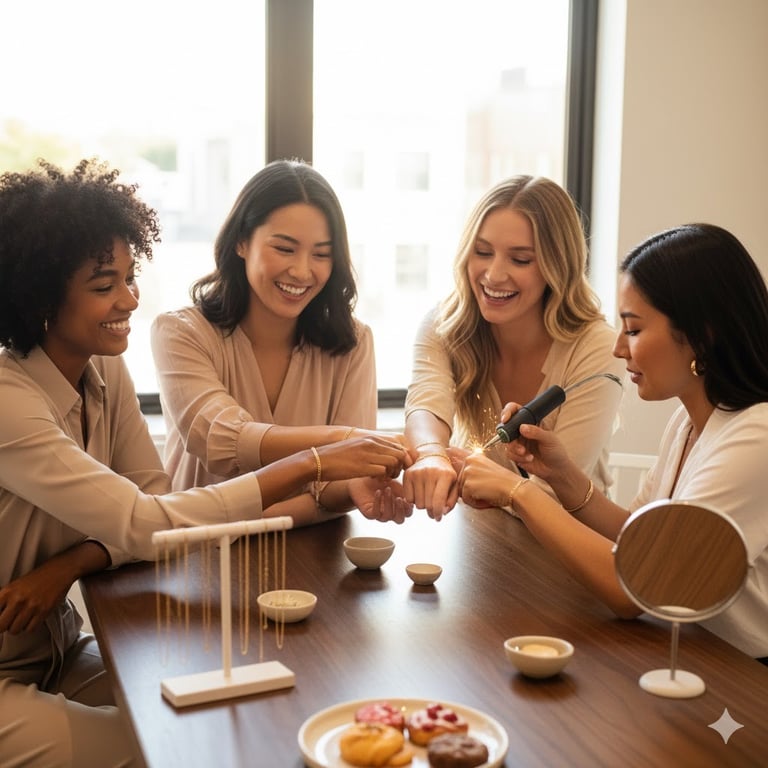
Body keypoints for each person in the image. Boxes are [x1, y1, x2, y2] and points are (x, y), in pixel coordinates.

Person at [0, 158, 411, 768]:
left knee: (229, 714)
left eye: (130, 278)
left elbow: (153, 506)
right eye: (104, 285)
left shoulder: (105, 370)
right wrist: (312, 463)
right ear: (41, 295)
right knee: (169, 748)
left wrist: (71, 563)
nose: (130, 299)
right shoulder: (9, 400)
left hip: (61, 647)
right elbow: (146, 523)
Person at [458, 223, 768, 661]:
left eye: (635, 330)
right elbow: (637, 538)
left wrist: (518, 490)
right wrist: (562, 478)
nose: (620, 349)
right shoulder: (687, 422)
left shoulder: (756, 439)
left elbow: (634, 588)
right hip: (685, 654)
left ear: (704, 333)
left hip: (744, 679)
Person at [151, 159, 412, 527]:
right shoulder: (181, 333)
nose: (303, 271)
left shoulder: (353, 343)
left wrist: (356, 488)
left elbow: (336, 483)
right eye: (285, 249)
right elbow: (221, 440)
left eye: (321, 254)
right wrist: (342, 440)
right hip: (201, 557)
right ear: (241, 241)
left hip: (311, 555)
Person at [403, 175, 624, 519]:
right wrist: (431, 453)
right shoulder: (444, 324)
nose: (493, 275)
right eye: (482, 252)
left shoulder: (596, 347)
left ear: (557, 266)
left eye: (520, 260)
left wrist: (484, 484)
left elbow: (555, 492)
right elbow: (426, 404)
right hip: (482, 540)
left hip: (569, 546)